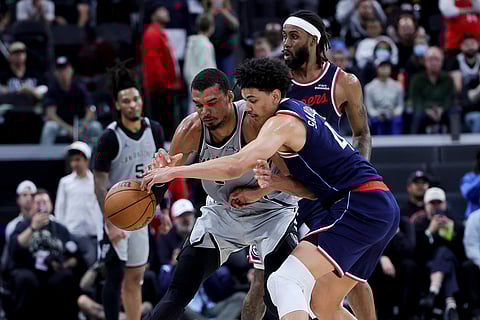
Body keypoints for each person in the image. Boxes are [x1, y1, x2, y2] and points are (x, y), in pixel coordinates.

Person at [142, 57, 400, 320]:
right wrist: (270, 184)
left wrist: (175, 171)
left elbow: (236, 165)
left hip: (351, 204)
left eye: (252, 100)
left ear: (274, 96)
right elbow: (310, 189)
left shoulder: (278, 124)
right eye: (199, 105)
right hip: (369, 203)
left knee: (282, 284)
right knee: (324, 304)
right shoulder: (282, 115)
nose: (249, 107)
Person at [238, 10, 376, 320]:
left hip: (327, 190)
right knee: (262, 280)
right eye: (284, 36)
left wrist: (355, 181)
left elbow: (362, 134)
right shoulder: (276, 81)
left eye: (292, 37)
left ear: (312, 40)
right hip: (282, 189)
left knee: (351, 279)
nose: (285, 43)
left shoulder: (343, 82)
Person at [141, 68, 304, 320]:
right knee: (179, 289)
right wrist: (151, 203)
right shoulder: (190, 129)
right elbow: (164, 176)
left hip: (273, 213)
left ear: (230, 97)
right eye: (198, 105)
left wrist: (258, 192)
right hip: (223, 214)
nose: (205, 112)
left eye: (212, 103)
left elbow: (291, 178)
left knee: (276, 295)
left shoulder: (255, 122)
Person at [94, 61, 169, 320]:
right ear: (117, 105)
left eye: (135, 99)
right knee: (115, 275)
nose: (132, 104)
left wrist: (165, 210)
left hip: (140, 213)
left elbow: (163, 170)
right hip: (116, 213)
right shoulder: (109, 137)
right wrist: (110, 222)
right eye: (126, 101)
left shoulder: (155, 129)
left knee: (136, 276)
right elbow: (99, 183)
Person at [8, 189, 81, 320]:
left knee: (66, 277)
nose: (41, 205)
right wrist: (32, 228)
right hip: (28, 270)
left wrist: (64, 264)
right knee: (25, 279)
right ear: (32, 205)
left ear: (51, 205)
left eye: (44, 202)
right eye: (38, 202)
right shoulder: (22, 225)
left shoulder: (60, 228)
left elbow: (76, 256)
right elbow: (14, 248)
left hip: (54, 272)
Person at [55, 141, 103, 267]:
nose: (74, 163)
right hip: (72, 235)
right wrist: (61, 234)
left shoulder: (95, 181)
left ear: (86, 160)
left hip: (92, 235)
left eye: (78, 160)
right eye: (72, 160)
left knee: (92, 267)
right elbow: (60, 209)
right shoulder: (65, 182)